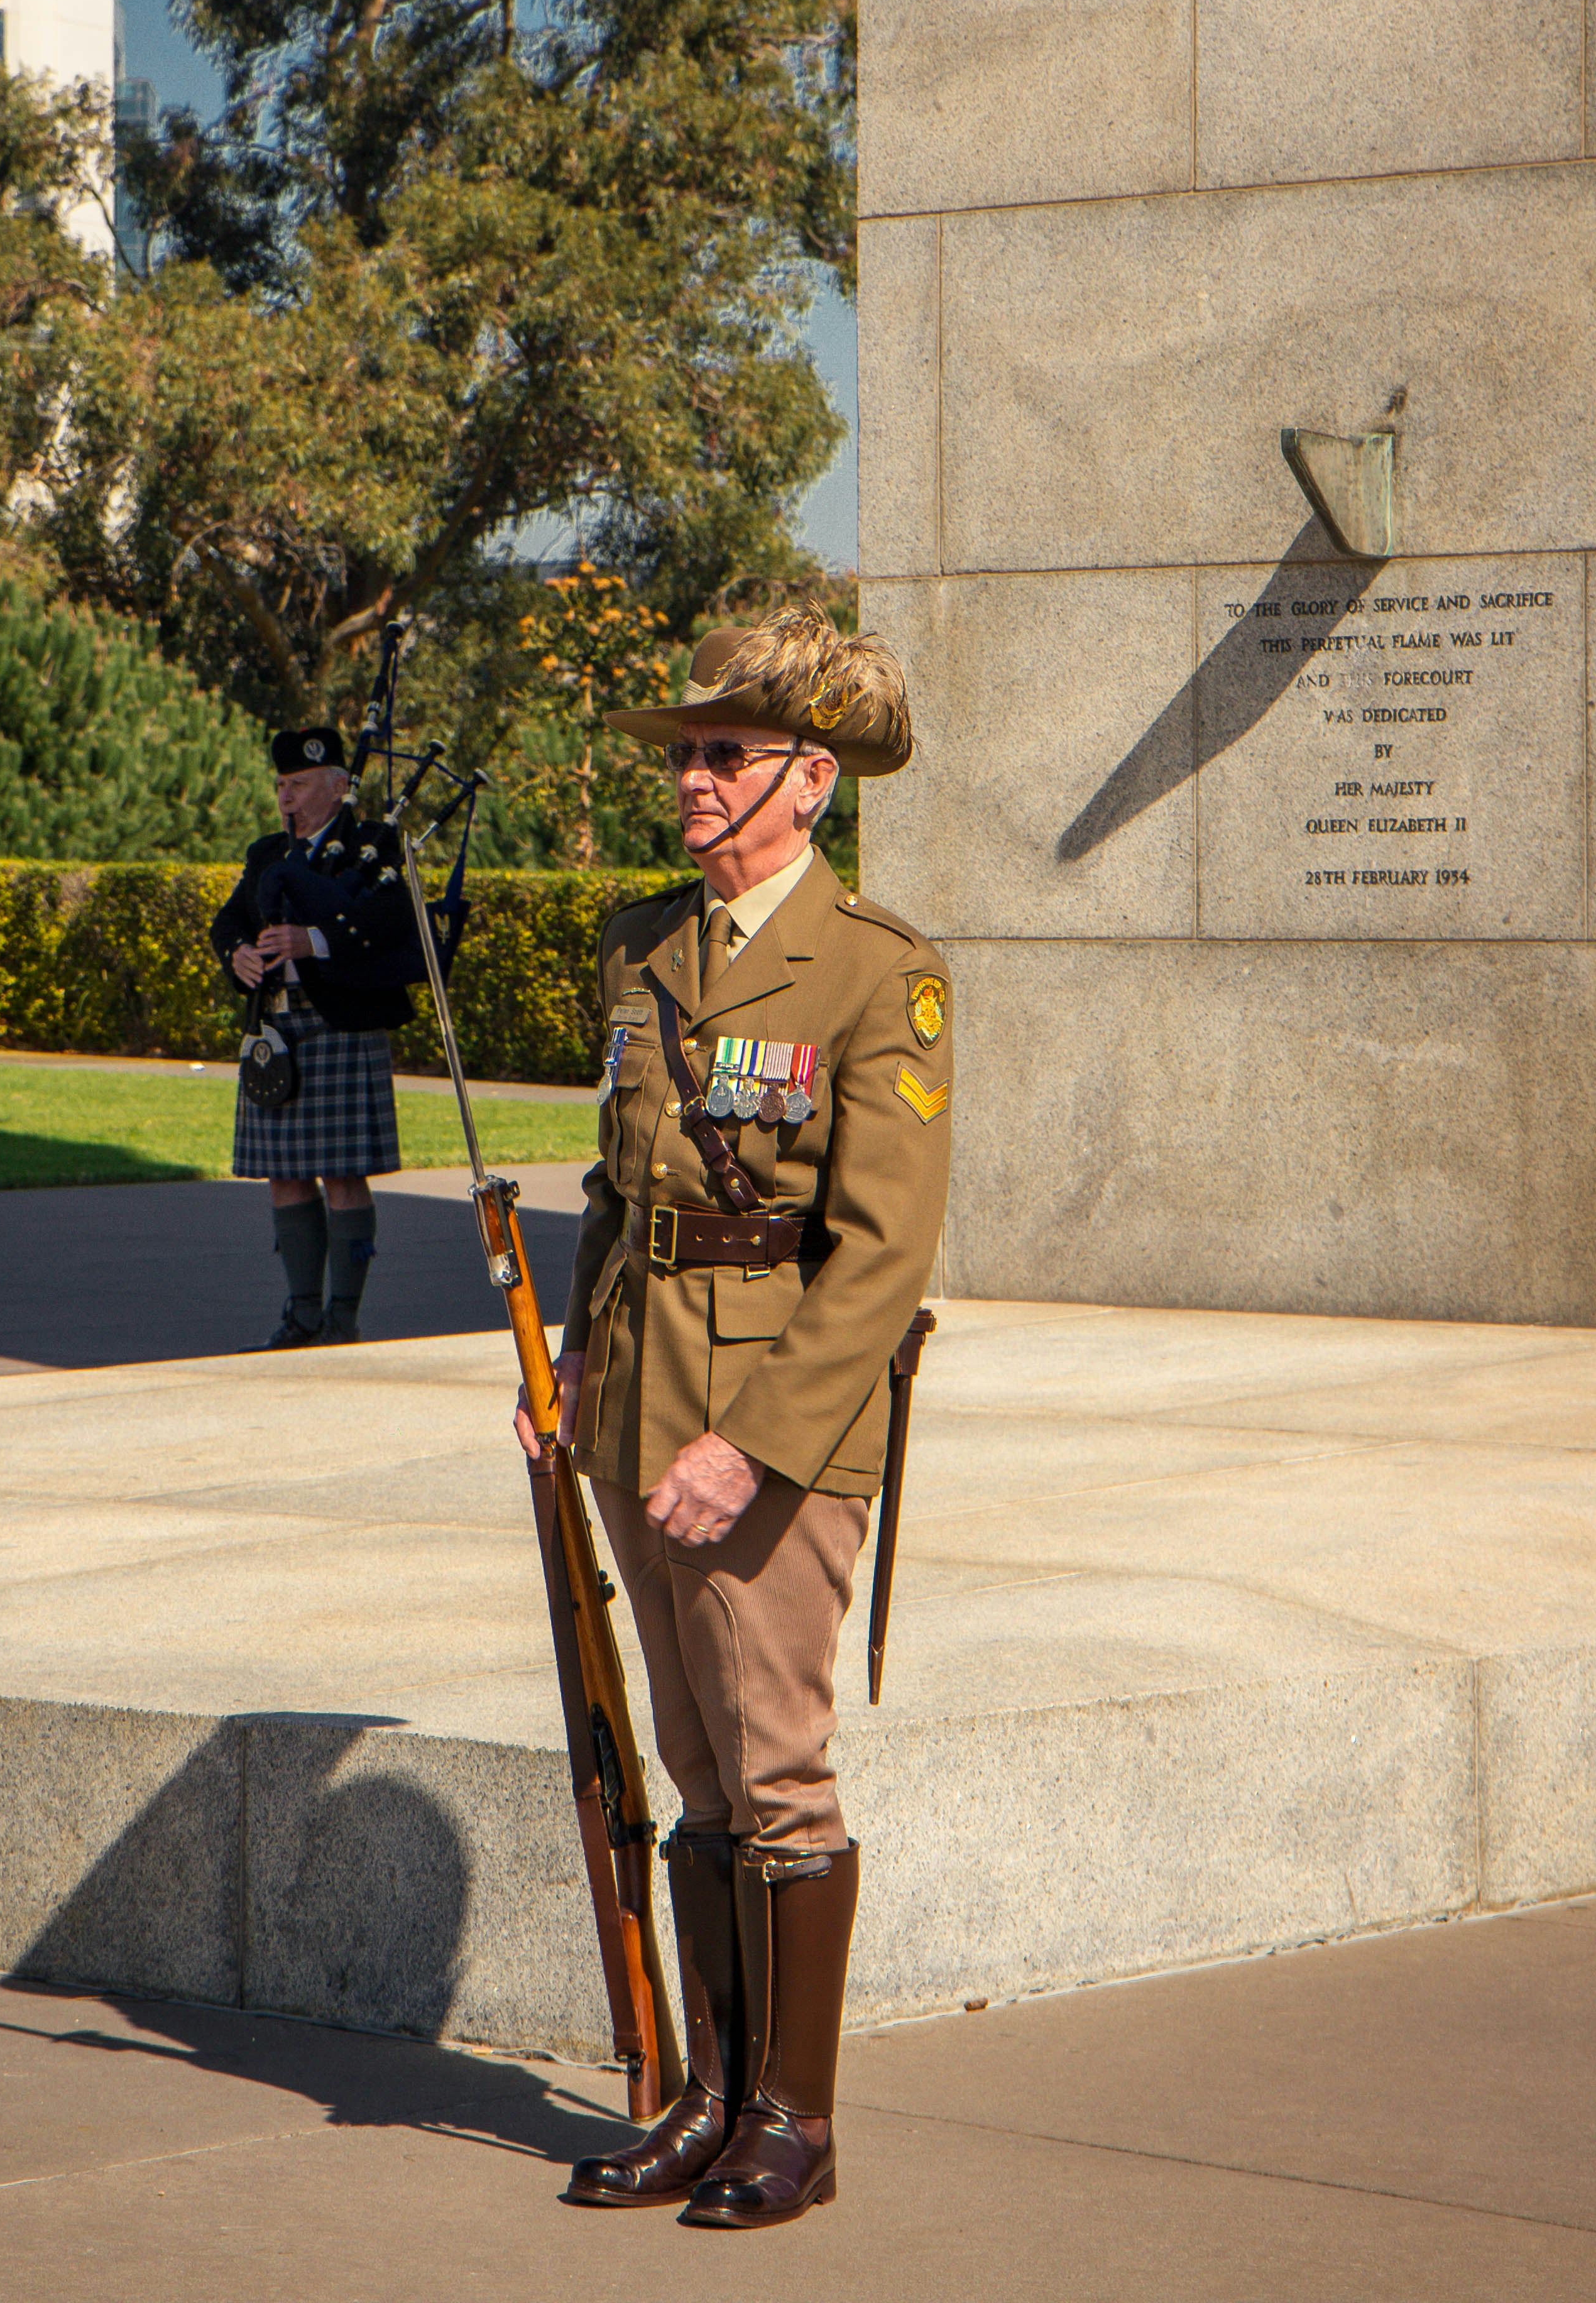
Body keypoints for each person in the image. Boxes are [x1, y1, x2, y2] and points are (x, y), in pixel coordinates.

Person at [516, 594, 949, 2229]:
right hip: (636, 1403)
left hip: (773, 1421)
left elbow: (882, 1256)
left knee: (778, 1777)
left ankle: (797, 2122)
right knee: (693, 1767)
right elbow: (617, 1198)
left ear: (810, 780)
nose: (690, 781)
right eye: (684, 756)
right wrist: (569, 1377)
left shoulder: (877, 975)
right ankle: (707, 2099)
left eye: (722, 756)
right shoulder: (644, 947)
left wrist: (748, 1441)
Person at [209, 724, 417, 1348]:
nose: (286, 798)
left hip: (342, 1024)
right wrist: (239, 954)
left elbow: (390, 919)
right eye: (279, 785)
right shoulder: (268, 852)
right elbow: (229, 918)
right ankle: (301, 1316)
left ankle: (341, 1319)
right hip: (279, 1024)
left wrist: (314, 941)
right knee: (285, 1174)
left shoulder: (373, 845)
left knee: (345, 1174)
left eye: (297, 785)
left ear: (337, 785)